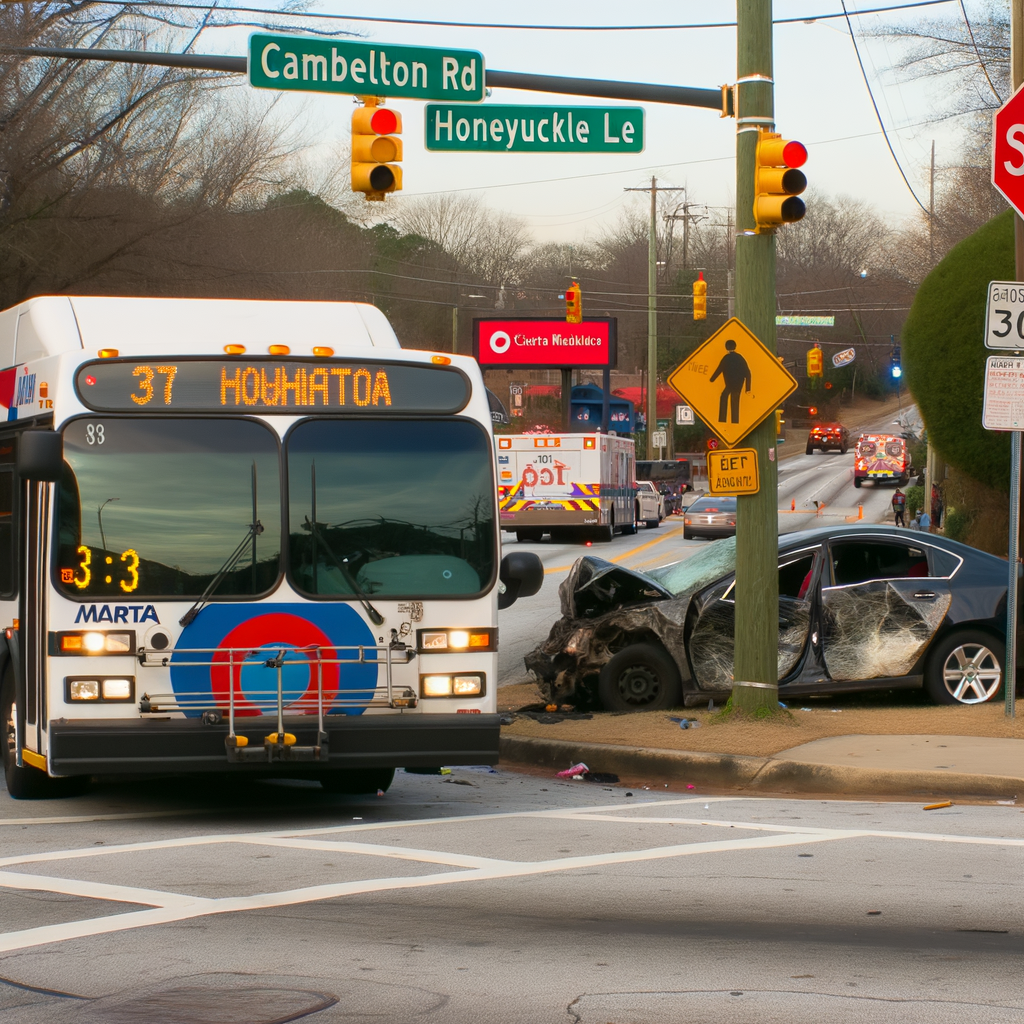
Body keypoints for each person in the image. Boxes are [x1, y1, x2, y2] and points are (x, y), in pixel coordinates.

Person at [710, 338, 751, 424]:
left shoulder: (726, 358)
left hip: (730, 384)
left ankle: (723, 420)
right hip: (738, 384)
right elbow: (748, 373)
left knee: (725, 398)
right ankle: (733, 421)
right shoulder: (740, 358)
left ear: (726, 347)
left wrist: (712, 379)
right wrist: (747, 388)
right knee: (733, 400)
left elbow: (719, 369)